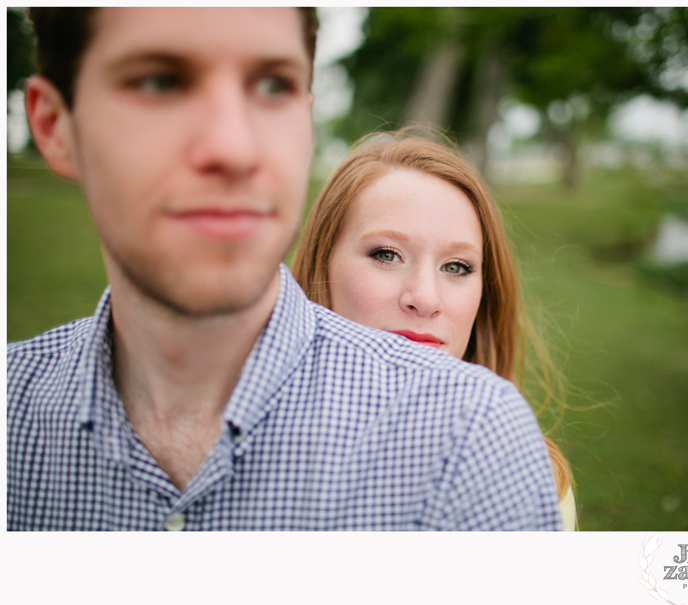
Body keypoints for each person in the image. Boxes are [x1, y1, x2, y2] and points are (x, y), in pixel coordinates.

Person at [7, 7, 562, 531]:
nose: (234, 147)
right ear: (56, 127)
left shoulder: (471, 437)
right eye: (160, 82)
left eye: (273, 86)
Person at [291, 132, 577, 529]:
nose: (425, 298)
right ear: (322, 266)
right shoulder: (246, 451)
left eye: (457, 266)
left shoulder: (528, 480)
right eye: (386, 255)